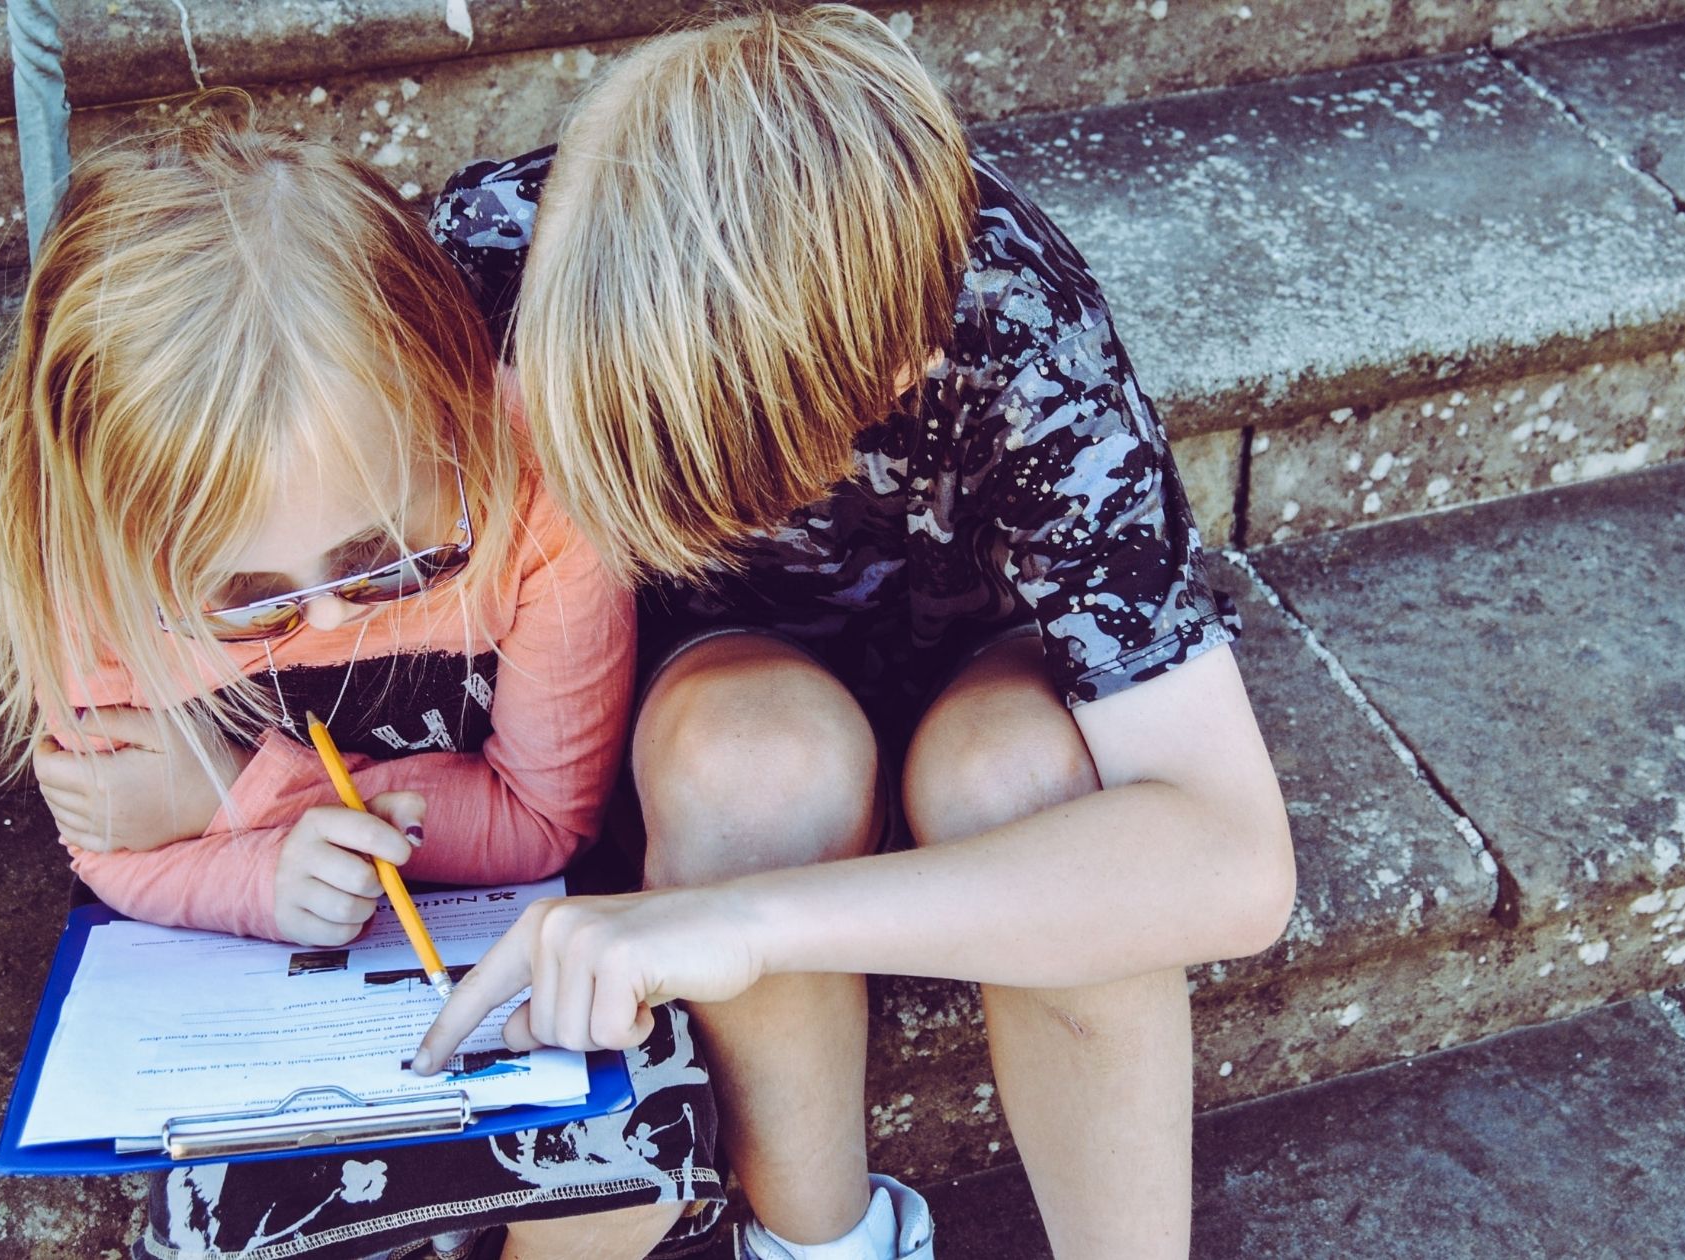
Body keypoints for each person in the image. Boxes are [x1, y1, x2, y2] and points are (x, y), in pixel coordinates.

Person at [416, 9, 1296, 1259]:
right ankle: (820, 1243)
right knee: (752, 761)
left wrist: (755, 921)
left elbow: (1230, 858)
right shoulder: (497, 255)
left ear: (897, 367)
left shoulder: (1004, 316)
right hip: (709, 698)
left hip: (978, 671)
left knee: (1025, 781)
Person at [0, 122, 720, 1260]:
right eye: (246, 598)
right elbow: (115, 849)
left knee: (628, 1155)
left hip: (499, 948)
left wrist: (241, 787)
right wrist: (264, 874)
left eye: (389, 557)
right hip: (259, 995)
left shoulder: (540, 496)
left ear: (455, 416)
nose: (325, 622)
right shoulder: (90, 570)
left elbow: (542, 820)